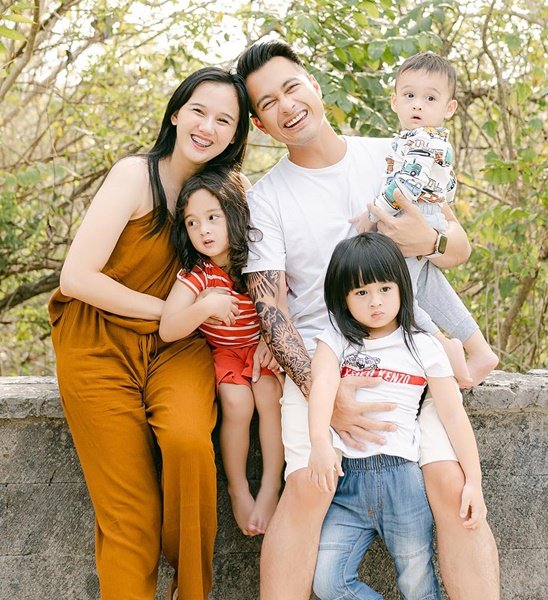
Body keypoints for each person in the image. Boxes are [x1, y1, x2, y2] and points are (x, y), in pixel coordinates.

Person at [233, 40, 500, 599]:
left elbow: (458, 249)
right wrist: (323, 394)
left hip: (409, 348)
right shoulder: (268, 198)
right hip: (323, 361)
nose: (286, 105)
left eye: (292, 87)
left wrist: (426, 238)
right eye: (268, 102)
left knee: (451, 485)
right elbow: (271, 309)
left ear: (314, 86)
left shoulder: (392, 153)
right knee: (308, 486)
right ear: (259, 122)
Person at [49, 67, 250, 599]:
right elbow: (76, 277)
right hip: (99, 340)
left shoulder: (227, 195)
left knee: (189, 444)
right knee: (130, 513)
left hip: (180, 344)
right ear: (175, 113)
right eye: (198, 111)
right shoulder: (134, 176)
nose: (207, 126)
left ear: (236, 135)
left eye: (224, 120)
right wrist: (172, 309)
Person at [305, 233, 487, 600]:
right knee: (327, 582)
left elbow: (453, 417)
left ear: (402, 288)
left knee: (417, 584)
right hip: (345, 485)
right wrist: (319, 444)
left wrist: (474, 483)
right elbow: (322, 385)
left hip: (402, 480)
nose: (375, 302)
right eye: (361, 293)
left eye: (385, 288)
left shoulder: (422, 343)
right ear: (342, 298)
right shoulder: (336, 339)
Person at [348, 51, 499, 388]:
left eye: (430, 98)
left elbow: (406, 185)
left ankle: (446, 348)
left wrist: (372, 216)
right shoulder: (428, 141)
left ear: (449, 108)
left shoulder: (421, 140)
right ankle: (480, 350)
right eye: (410, 96)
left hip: (412, 215)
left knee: (402, 295)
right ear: (395, 100)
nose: (418, 105)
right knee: (431, 287)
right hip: (428, 216)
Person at [159, 169, 284, 537]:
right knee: (236, 401)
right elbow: (168, 327)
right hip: (226, 353)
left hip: (261, 348)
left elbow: (281, 302)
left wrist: (270, 340)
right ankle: (238, 486)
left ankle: (271, 485)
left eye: (213, 217)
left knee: (269, 397)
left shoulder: (258, 259)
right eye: (193, 223)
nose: (204, 230)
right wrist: (205, 307)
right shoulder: (198, 275)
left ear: (235, 212)